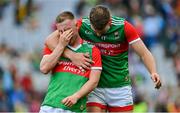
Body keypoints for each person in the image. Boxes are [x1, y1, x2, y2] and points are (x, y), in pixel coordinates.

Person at [45, 5, 162, 112]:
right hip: (95, 87)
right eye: (94, 31)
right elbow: (49, 41)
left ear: (109, 22)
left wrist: (153, 71)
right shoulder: (82, 24)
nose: (98, 35)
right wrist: (72, 55)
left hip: (119, 86)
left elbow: (144, 53)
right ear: (90, 22)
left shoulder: (124, 27)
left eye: (101, 31)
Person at [39, 11, 102, 113]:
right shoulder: (55, 46)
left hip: (74, 108)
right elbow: (44, 68)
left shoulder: (92, 50)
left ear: (76, 26)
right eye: (61, 31)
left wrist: (76, 96)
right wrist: (61, 46)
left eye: (68, 30)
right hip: (49, 106)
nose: (65, 35)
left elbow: (93, 81)